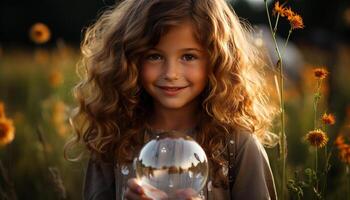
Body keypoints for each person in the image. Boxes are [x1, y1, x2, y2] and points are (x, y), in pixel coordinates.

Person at [65, 0, 279, 199]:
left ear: (217, 60)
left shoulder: (237, 145)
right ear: (129, 59)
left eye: (188, 57)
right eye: (154, 56)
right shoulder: (113, 137)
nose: (171, 73)